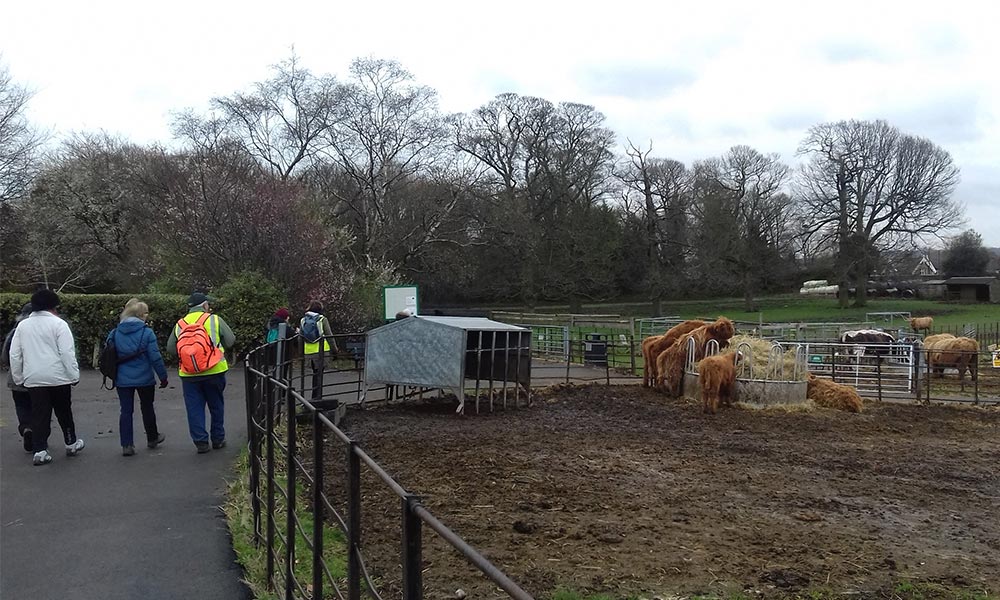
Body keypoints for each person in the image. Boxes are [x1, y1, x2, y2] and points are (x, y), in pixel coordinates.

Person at [9, 289, 85, 466]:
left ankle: (40, 450)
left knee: (39, 414)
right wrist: (74, 375)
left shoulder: (23, 326)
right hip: (58, 377)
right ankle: (71, 442)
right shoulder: (59, 324)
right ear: (53, 306)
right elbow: (67, 353)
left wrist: (19, 377)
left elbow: (15, 354)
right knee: (64, 412)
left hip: (33, 377)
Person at [166, 292, 235, 454]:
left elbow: (170, 349)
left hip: (189, 374)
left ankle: (201, 442)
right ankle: (218, 439)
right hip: (214, 370)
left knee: (194, 408)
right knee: (216, 405)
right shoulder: (214, 320)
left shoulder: (180, 324)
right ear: (204, 305)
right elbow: (231, 340)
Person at [107, 300, 168, 456]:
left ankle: (127, 444)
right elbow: (155, 357)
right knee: (147, 407)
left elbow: (109, 354)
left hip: (122, 378)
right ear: (140, 315)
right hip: (145, 377)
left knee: (126, 411)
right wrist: (163, 377)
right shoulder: (147, 332)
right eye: (145, 313)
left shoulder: (114, 333)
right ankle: (152, 438)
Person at [1, 302, 35, 452]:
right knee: (39, 406)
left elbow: (5, 354)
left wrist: (10, 368)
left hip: (15, 377)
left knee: (21, 405)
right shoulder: (39, 331)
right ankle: (38, 432)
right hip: (36, 376)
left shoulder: (14, 331)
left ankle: (25, 427)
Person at [300, 301, 337, 401]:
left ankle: (314, 397)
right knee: (319, 375)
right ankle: (317, 398)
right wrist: (335, 350)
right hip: (321, 351)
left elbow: (300, 337)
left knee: (315, 375)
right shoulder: (322, 320)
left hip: (309, 352)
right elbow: (329, 336)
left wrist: (301, 352)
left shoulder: (303, 320)